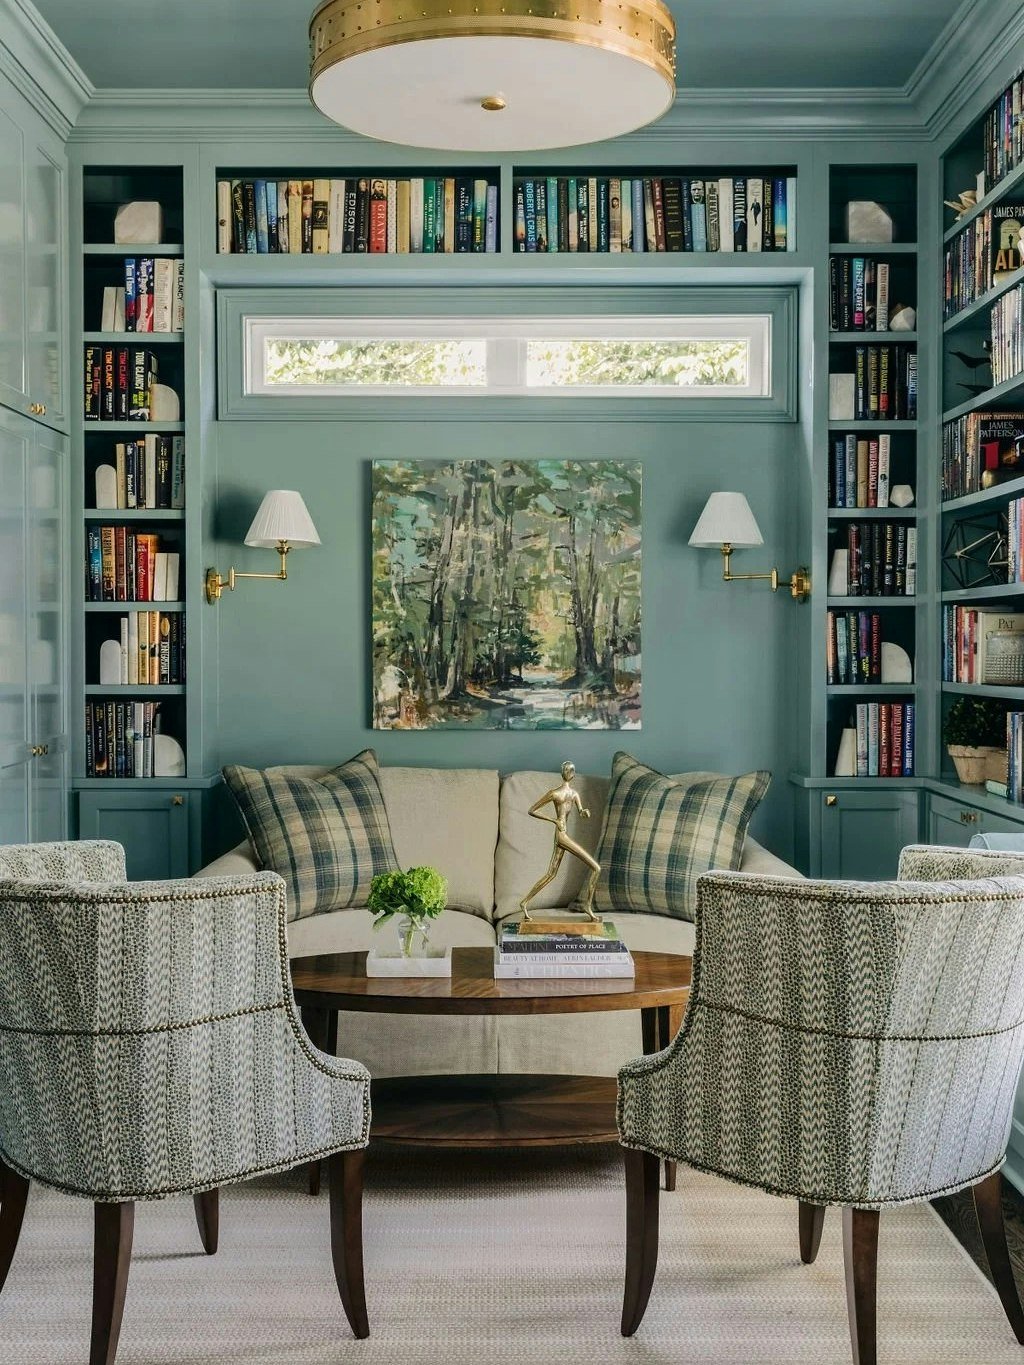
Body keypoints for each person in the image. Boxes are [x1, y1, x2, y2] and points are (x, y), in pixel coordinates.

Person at [519, 761, 601, 920]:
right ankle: (588, 907)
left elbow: (581, 812)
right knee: (596, 868)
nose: (569, 773)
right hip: (561, 836)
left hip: (562, 835)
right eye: (569, 771)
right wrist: (554, 820)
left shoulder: (574, 794)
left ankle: (524, 902)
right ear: (571, 774)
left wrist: (585, 812)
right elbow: (532, 810)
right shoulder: (554, 793)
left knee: (551, 874)